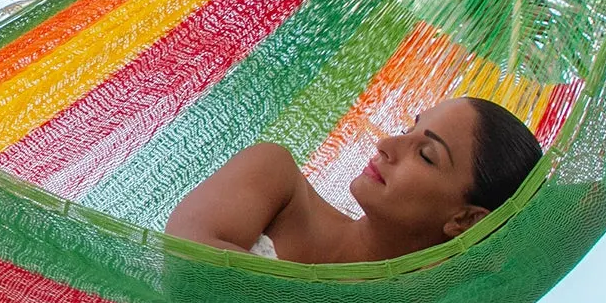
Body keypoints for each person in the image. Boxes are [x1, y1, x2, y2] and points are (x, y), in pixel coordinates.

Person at [164, 97, 542, 264]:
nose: (387, 144)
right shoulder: (274, 176)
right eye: (411, 127)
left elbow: (586, 208)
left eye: (426, 154)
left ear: (465, 220)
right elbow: (187, 264)